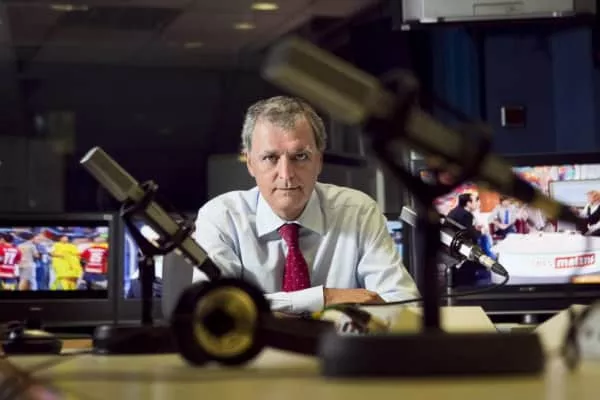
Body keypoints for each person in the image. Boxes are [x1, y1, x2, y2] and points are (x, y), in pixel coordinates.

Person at [192, 96, 418, 314]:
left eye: (300, 156)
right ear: (250, 163)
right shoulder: (222, 217)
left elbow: (404, 304)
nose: (286, 175)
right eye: (270, 158)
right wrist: (324, 298)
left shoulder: (358, 212)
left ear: (319, 161)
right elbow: (213, 306)